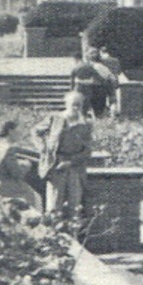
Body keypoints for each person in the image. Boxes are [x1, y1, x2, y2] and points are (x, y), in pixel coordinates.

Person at [35, 91, 94, 219]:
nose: (76, 108)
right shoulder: (55, 118)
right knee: (54, 206)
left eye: (79, 105)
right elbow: (35, 132)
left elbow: (87, 150)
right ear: (66, 104)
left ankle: (73, 236)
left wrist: (71, 162)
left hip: (75, 167)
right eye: (73, 104)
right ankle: (52, 236)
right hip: (56, 165)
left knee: (75, 206)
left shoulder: (85, 124)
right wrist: (44, 149)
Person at [0, 118, 40, 208]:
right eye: (20, 130)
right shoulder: (8, 148)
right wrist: (26, 165)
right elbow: (17, 174)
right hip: (7, 186)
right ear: (10, 131)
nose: (22, 133)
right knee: (36, 198)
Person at [70, 49, 117, 118]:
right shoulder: (98, 67)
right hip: (100, 87)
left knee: (83, 108)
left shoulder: (78, 67)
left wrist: (72, 90)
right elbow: (101, 77)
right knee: (101, 107)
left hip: (83, 88)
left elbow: (72, 81)